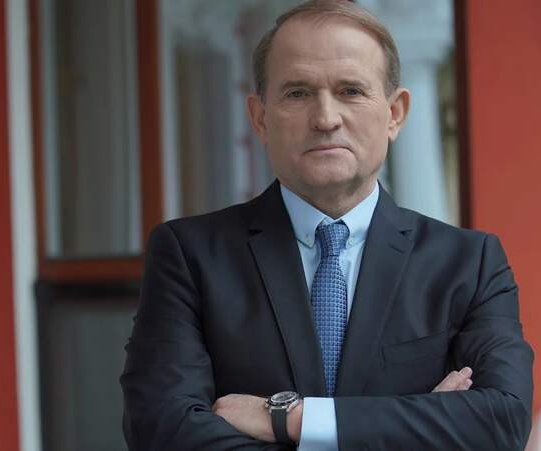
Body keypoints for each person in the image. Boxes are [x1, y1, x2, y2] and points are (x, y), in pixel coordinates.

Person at [120, 1, 533, 449]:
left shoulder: (468, 263)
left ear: (395, 113)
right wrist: (415, 426)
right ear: (260, 118)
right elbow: (161, 429)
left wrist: (291, 418)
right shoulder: (190, 255)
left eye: (350, 90)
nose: (325, 118)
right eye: (297, 93)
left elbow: (501, 423)